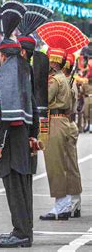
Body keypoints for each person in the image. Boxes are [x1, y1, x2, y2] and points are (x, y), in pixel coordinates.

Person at [0, 32, 35, 248]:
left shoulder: (9, 73)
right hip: (22, 138)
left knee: (14, 187)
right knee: (22, 186)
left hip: (12, 141)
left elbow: (7, 116)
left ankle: (21, 232)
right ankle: (24, 230)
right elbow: (34, 106)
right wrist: (34, 134)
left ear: (3, 56)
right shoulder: (24, 71)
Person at [40, 48, 79, 221]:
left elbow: (45, 98)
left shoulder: (55, 80)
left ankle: (61, 206)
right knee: (63, 164)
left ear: (54, 61)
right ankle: (66, 203)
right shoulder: (64, 78)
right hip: (62, 120)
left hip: (55, 121)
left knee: (55, 164)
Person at [62, 53, 83, 218]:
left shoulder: (70, 83)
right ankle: (72, 202)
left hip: (67, 124)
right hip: (66, 124)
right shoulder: (68, 82)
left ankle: (74, 202)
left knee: (70, 165)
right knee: (66, 165)